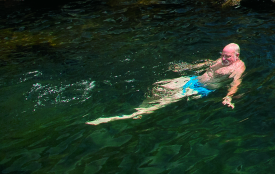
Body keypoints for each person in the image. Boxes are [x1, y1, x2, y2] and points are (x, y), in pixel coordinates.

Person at [86, 43, 245, 125]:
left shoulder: (238, 67)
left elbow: (236, 84)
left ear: (236, 56)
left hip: (201, 89)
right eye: (222, 55)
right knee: (159, 86)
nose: (224, 59)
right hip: (193, 79)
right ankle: (143, 107)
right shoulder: (221, 59)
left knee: (165, 100)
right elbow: (208, 65)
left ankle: (124, 116)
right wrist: (190, 67)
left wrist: (229, 97)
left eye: (228, 57)